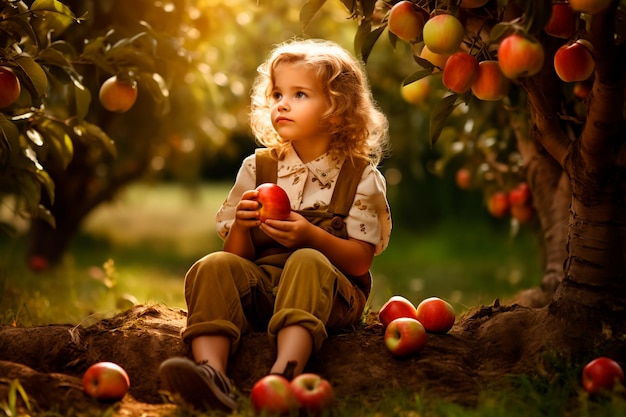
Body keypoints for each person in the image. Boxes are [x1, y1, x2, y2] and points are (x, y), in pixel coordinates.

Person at [158, 37, 392, 412]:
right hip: (264, 290)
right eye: (278, 93)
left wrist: (310, 236)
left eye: (300, 94)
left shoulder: (358, 176)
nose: (282, 103)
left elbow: (359, 262)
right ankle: (210, 373)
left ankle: (284, 374)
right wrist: (241, 227)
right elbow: (237, 259)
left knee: (307, 260)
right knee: (213, 266)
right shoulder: (259, 168)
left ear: (337, 109)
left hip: (329, 294)